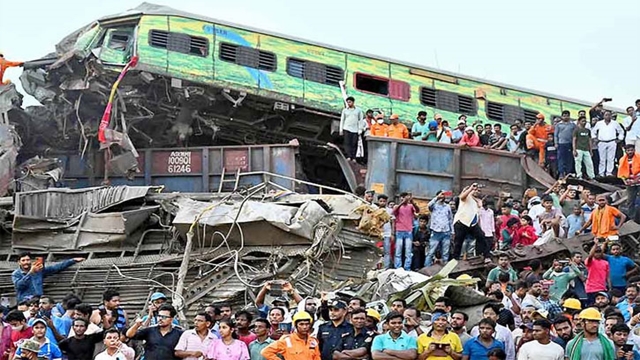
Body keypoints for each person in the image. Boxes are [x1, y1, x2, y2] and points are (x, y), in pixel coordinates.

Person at [12, 254, 84, 302]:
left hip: (38, 300)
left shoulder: (38, 271)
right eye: (23, 260)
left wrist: (72, 260)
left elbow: (55, 268)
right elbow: (19, 286)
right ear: (19, 262)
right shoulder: (16, 274)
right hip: (25, 302)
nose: (26, 262)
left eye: (28, 260)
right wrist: (30, 273)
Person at [452, 184, 490, 264]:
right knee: (458, 242)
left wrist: (475, 197)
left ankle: (486, 256)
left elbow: (480, 205)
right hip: (461, 221)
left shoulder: (477, 200)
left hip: (472, 223)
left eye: (478, 191)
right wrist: (470, 189)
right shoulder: (466, 197)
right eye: (475, 190)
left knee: (481, 237)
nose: (476, 191)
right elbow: (461, 197)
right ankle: (455, 259)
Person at [425, 191, 453, 267]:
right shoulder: (434, 206)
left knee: (445, 253)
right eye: (441, 194)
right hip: (435, 232)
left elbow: (450, 219)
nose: (442, 196)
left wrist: (452, 231)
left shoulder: (447, 207)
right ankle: (427, 268)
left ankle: (445, 270)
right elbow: (429, 205)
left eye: (444, 195)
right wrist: (437, 198)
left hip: (446, 232)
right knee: (431, 252)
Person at [592, 110, 624, 176]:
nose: (608, 116)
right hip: (601, 142)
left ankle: (609, 173)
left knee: (611, 158)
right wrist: (595, 139)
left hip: (612, 142)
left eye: (609, 115)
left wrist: (619, 139)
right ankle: (601, 173)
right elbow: (593, 131)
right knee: (602, 159)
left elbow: (621, 131)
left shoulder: (615, 123)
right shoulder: (599, 123)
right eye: (606, 115)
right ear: (603, 116)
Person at [392, 192, 420, 270]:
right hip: (399, 231)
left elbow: (417, 211)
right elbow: (394, 213)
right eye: (402, 197)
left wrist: (413, 202)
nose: (404, 199)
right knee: (398, 251)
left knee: (408, 251)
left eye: (405, 197)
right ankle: (398, 267)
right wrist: (402, 203)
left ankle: (407, 267)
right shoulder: (397, 206)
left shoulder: (411, 206)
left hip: (408, 231)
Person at [618, 143, 640, 222]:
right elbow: (621, 173)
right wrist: (625, 181)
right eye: (628, 150)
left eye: (631, 150)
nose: (630, 152)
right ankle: (632, 218)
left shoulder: (639, 157)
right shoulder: (622, 160)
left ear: (634, 150)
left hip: (639, 181)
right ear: (625, 151)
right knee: (630, 201)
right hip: (630, 183)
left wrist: (637, 179)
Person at [340, 96, 364, 161]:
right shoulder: (345, 110)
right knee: (347, 143)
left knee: (354, 143)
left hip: (355, 129)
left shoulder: (358, 110)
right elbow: (342, 120)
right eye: (347, 102)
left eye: (350, 102)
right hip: (346, 128)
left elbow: (360, 120)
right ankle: (348, 156)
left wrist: (360, 129)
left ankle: (354, 157)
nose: (348, 104)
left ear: (353, 102)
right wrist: (341, 129)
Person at [555, 110, 577, 177]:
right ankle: (561, 173)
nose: (565, 117)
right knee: (561, 159)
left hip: (570, 144)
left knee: (569, 159)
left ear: (569, 116)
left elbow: (575, 135)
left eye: (567, 116)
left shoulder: (572, 125)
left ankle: (568, 173)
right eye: (564, 116)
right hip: (561, 144)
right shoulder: (558, 125)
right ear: (562, 116)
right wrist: (556, 143)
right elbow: (556, 135)